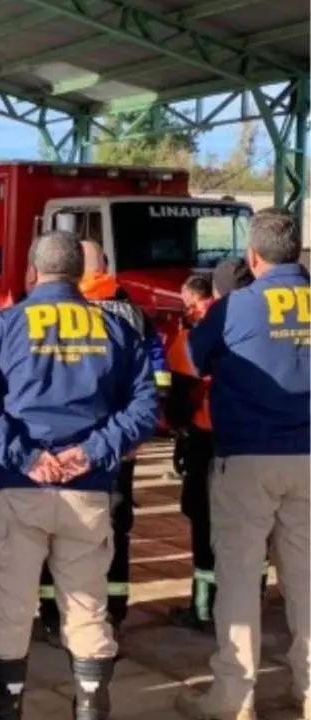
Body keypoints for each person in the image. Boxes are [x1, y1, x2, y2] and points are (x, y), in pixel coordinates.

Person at [0, 231, 158, 720]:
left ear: (32, 271)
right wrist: (91, 452)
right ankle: (90, 710)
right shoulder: (115, 328)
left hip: (21, 488)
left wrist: (25, 457)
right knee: (88, 607)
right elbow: (145, 406)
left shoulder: (3, 327)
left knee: (10, 607)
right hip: (87, 493)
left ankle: (3, 712)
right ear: (80, 274)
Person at [176, 210, 310, 720]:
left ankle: (235, 696)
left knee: (237, 575)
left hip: (248, 456)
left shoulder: (236, 308)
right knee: (307, 577)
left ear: (254, 258)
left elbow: (187, 361)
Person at [35, 239, 168, 646]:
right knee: (114, 529)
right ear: (105, 268)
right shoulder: (133, 315)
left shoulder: (47, 313)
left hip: (60, 448)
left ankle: (54, 613)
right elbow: (157, 380)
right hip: (117, 446)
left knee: (52, 530)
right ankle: (112, 612)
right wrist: (134, 435)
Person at [166, 259, 253, 635]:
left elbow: (179, 394)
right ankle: (252, 598)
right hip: (253, 441)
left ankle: (203, 607)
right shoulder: (264, 327)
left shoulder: (198, 334)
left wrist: (177, 429)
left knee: (203, 520)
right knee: (250, 526)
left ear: (215, 293)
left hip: (207, 439)